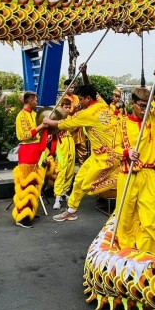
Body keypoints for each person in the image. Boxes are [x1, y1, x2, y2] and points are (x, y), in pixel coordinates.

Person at [115, 67, 155, 254]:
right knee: (125, 218)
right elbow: (114, 149)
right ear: (133, 103)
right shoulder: (122, 123)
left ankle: (148, 258)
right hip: (128, 175)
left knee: (151, 220)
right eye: (142, 105)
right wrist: (127, 152)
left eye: (147, 105)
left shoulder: (154, 119)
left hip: (149, 175)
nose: (145, 109)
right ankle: (127, 255)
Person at [47, 83, 119, 222]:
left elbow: (65, 124)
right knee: (79, 180)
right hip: (97, 156)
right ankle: (71, 211)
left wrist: (47, 121)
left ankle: (125, 179)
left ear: (88, 98)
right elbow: (93, 90)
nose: (79, 102)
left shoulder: (87, 114)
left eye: (81, 99)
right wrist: (85, 73)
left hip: (109, 156)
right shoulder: (102, 104)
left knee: (88, 185)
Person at [12, 91, 46, 228]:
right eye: (35, 100)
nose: (36, 103)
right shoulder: (21, 115)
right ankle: (22, 216)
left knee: (33, 183)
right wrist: (41, 127)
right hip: (27, 151)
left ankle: (30, 210)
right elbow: (25, 135)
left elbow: (37, 132)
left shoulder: (33, 115)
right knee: (25, 184)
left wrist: (44, 131)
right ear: (30, 100)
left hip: (35, 151)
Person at [51, 97, 77, 210]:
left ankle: (64, 192)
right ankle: (57, 197)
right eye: (65, 107)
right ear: (61, 107)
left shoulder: (71, 117)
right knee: (62, 170)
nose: (67, 109)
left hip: (70, 142)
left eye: (68, 107)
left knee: (70, 170)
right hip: (61, 144)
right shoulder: (56, 117)